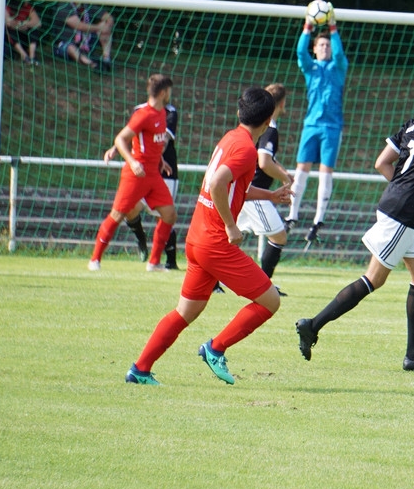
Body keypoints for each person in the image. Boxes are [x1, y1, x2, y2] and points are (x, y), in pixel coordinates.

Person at [295, 76, 414, 372]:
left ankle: (413, 355)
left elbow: (381, 163)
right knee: (373, 279)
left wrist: (402, 187)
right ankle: (312, 325)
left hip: (401, 209)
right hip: (403, 213)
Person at [125, 87, 292, 386]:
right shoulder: (246, 149)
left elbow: (232, 187)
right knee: (270, 301)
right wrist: (231, 226)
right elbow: (217, 184)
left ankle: (140, 369)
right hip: (215, 243)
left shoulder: (232, 138)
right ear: (269, 121)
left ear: (239, 113)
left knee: (185, 312)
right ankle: (215, 348)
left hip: (198, 238)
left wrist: (270, 195)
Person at [89, 74, 176, 272]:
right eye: (169, 91)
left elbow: (152, 143)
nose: (170, 94)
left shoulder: (162, 113)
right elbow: (120, 139)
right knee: (117, 215)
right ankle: (95, 259)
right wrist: (133, 161)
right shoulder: (143, 114)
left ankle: (153, 263)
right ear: (163, 93)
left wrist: (161, 161)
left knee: (169, 214)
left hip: (153, 175)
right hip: (136, 175)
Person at [286, 1, 348, 244]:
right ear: (315, 49)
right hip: (311, 125)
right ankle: (292, 215)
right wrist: (307, 27)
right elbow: (300, 53)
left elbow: (340, 54)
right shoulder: (310, 68)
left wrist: (332, 28)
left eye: (327, 45)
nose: (325, 48)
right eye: (321, 45)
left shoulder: (338, 67)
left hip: (332, 127)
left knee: (325, 171)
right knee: (301, 169)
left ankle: (318, 219)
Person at [237, 83, 293, 294]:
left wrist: (283, 172)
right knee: (279, 237)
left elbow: (267, 158)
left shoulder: (260, 125)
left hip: (246, 188)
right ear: (282, 103)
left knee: (230, 239)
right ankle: (263, 286)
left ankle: (213, 284)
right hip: (256, 192)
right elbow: (264, 162)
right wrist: (285, 178)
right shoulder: (270, 128)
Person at [113, 98, 181, 270]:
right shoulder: (139, 110)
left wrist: (155, 158)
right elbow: (128, 135)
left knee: (164, 215)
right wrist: (115, 149)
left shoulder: (170, 113)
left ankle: (170, 261)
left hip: (165, 172)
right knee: (128, 208)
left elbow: (163, 141)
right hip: (141, 171)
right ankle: (140, 237)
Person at [52, 0, 115, 70]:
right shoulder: (64, 6)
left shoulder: (86, 4)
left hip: (87, 41)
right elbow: (79, 26)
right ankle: (94, 65)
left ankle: (106, 60)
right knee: (70, 47)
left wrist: (106, 25)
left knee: (105, 28)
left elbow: (109, 17)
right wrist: (99, 27)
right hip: (66, 43)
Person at [4, 0, 41, 65]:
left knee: (34, 29)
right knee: (9, 30)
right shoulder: (7, 7)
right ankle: (24, 56)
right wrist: (19, 25)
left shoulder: (28, 7)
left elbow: (38, 23)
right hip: (11, 40)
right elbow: (9, 22)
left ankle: (32, 56)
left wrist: (24, 23)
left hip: (24, 35)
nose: (27, 0)